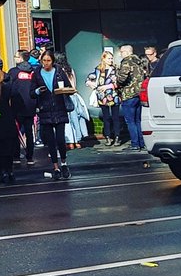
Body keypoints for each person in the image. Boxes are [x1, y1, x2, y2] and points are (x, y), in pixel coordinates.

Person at [33, 49, 76, 179]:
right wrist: (37, 91)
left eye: (48, 61)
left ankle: (64, 163)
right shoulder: (37, 73)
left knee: (60, 139)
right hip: (45, 109)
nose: (46, 63)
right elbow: (31, 92)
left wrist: (63, 90)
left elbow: (69, 87)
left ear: (53, 61)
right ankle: (55, 167)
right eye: (43, 61)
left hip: (59, 108)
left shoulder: (58, 72)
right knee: (50, 141)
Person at [7, 50, 38, 164]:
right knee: (29, 132)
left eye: (16, 57)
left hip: (17, 106)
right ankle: (30, 156)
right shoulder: (33, 72)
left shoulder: (13, 72)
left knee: (15, 131)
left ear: (20, 59)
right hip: (30, 105)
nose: (15, 58)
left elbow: (8, 87)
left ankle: (16, 156)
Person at [115, 44, 147, 151]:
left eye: (122, 52)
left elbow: (121, 79)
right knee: (138, 120)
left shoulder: (126, 62)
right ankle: (141, 143)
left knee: (130, 121)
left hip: (129, 94)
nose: (121, 54)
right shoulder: (139, 61)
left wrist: (116, 76)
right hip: (139, 94)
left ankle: (135, 144)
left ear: (128, 52)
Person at [86, 49, 120, 145]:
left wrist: (107, 86)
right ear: (103, 59)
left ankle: (117, 137)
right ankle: (108, 137)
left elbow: (118, 82)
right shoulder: (98, 69)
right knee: (106, 118)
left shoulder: (115, 69)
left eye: (112, 58)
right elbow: (90, 78)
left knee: (115, 117)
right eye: (109, 58)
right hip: (102, 97)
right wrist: (90, 83)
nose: (111, 60)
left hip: (114, 96)